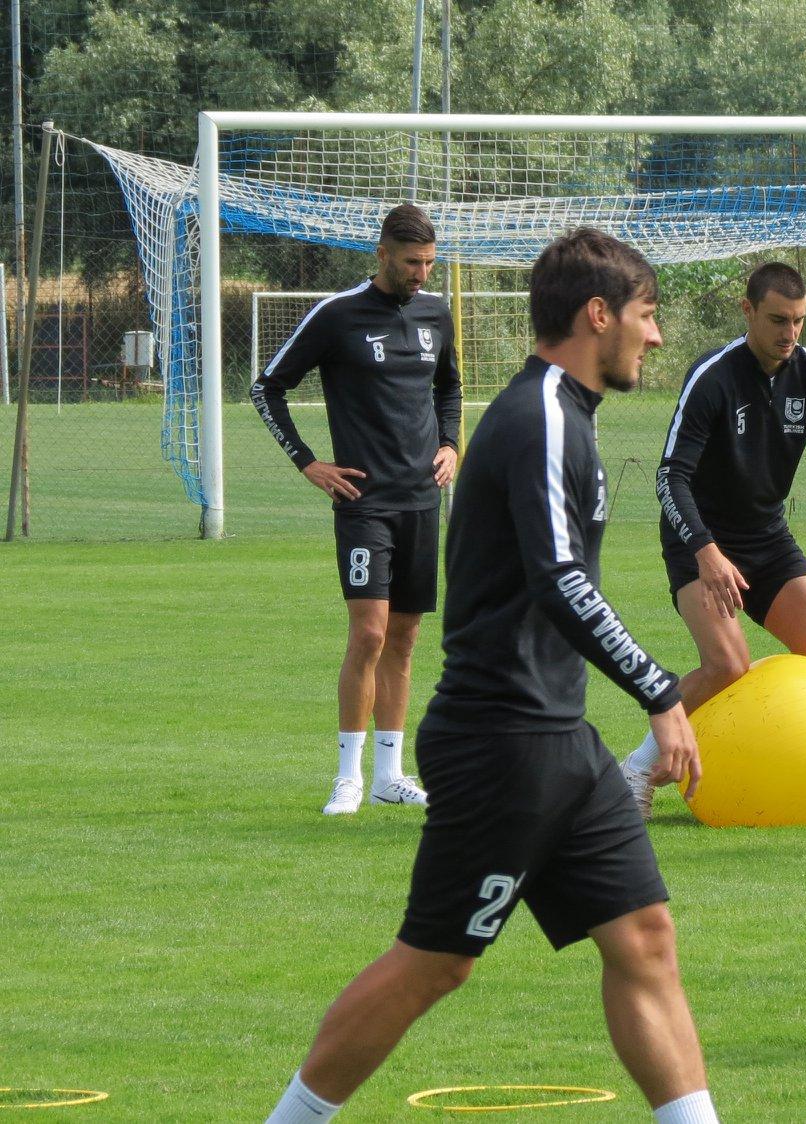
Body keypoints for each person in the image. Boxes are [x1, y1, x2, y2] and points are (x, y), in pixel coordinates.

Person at [264, 229, 719, 1124]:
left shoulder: (562, 414)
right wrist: (662, 692)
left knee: (644, 939)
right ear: (598, 315)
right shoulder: (541, 414)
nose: (655, 337)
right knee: (436, 961)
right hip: (502, 741)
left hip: (559, 739)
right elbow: (561, 580)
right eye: (646, 315)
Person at [621, 262, 806, 816]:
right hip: (698, 537)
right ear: (747, 311)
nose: (789, 334)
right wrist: (706, 553)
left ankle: (776, 767)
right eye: (777, 319)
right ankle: (634, 770)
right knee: (728, 665)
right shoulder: (714, 377)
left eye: (799, 322)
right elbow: (670, 476)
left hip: (767, 537)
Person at [251, 203, 462, 814]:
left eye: (428, 262)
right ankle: (347, 775)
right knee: (368, 632)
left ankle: (390, 775)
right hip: (363, 503)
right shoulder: (338, 315)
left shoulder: (435, 314)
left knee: (405, 636)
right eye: (411, 262)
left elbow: (447, 386)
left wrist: (450, 443)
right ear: (382, 254)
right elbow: (267, 386)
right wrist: (307, 462)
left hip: (422, 502)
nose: (422, 273)